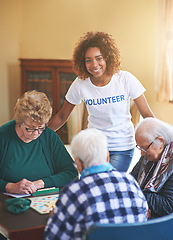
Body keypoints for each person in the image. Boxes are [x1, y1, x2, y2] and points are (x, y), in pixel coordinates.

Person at [48, 31, 155, 172]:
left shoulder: (125, 79)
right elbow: (62, 116)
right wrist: (40, 135)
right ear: (83, 62)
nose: (94, 64)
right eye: (88, 60)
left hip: (121, 147)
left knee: (105, 180)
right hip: (94, 145)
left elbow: (147, 114)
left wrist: (161, 140)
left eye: (99, 58)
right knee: (89, 182)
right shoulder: (81, 83)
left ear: (108, 58)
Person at [44, 128, 148, 240]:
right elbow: (143, 218)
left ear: (78, 163)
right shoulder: (131, 182)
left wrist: (55, 217)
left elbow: (52, 237)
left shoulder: (74, 191)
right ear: (107, 156)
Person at [0, 90, 78, 195]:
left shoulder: (48, 136)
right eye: (30, 128)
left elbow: (71, 173)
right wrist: (9, 187)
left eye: (41, 128)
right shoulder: (3, 136)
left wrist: (40, 183)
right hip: (9, 204)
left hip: (44, 202)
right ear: (20, 121)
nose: (36, 134)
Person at [131, 117, 173, 219]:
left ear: (160, 142)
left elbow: (168, 205)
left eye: (144, 148)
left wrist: (137, 194)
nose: (141, 153)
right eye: (139, 148)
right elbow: (131, 180)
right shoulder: (147, 156)